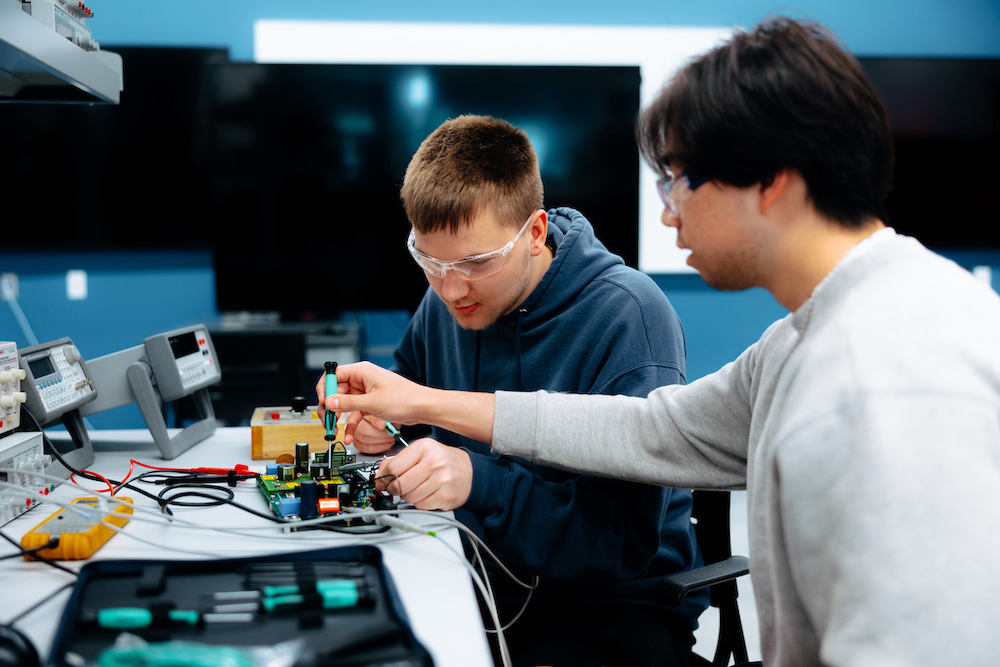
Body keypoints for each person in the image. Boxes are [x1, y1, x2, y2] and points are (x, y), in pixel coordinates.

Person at [325, 18, 1000, 667]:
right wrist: (426, 404)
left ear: (773, 182)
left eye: (679, 178)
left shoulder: (888, 373)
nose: (667, 208)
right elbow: (653, 430)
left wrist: (466, 461)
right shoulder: (803, 337)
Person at [322, 115, 707, 666]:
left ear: (534, 231)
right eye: (429, 261)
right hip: (471, 574)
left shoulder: (629, 316)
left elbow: (617, 546)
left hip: (606, 609)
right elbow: (406, 412)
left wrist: (478, 482)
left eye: (476, 263)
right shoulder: (447, 301)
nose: (452, 289)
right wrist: (379, 430)